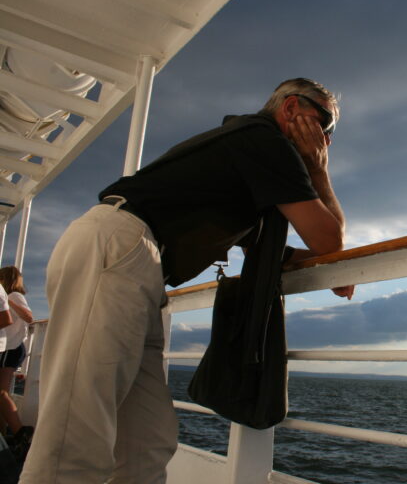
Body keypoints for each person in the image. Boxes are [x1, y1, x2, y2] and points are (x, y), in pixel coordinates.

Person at [20, 78, 354, 484]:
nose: (326, 141)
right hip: (120, 249)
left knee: (147, 442)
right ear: (290, 109)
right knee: (76, 434)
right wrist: (318, 168)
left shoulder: (247, 156)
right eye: (325, 125)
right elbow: (328, 238)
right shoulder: (266, 140)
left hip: (134, 263)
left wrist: (332, 267)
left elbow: (271, 246)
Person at [0, 266, 34, 463]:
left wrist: (9, 300)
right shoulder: (13, 295)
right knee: (1, 394)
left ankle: (21, 433)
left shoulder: (13, 295)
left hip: (11, 348)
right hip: (11, 348)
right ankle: (6, 435)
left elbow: (28, 317)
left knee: (1, 393)